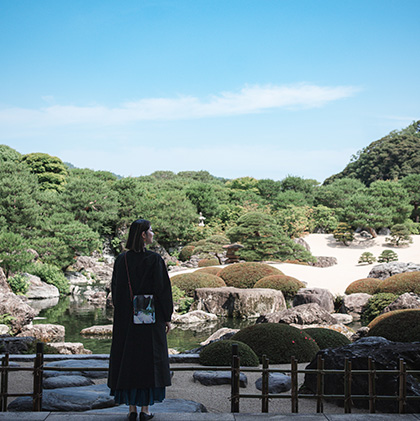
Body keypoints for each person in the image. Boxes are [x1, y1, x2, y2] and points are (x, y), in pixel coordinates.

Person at [108, 219, 173, 421]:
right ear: (144, 235)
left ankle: (131, 409)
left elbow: (116, 291)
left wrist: (123, 314)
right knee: (148, 362)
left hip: (127, 320)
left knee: (128, 360)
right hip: (150, 318)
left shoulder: (122, 260)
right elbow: (163, 291)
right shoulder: (154, 260)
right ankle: (146, 410)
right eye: (151, 230)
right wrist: (167, 317)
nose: (153, 233)